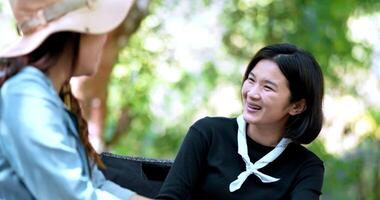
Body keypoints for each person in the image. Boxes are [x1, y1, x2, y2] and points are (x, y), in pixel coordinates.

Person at [0, 0, 150, 199]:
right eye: (99, 27)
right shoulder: (26, 97)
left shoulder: (48, 97)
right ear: (76, 34)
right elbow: (72, 195)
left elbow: (95, 183)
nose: (104, 37)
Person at [156, 43, 325, 200]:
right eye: (251, 80)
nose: (252, 93)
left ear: (297, 106)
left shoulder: (307, 168)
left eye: (268, 87)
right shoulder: (208, 133)